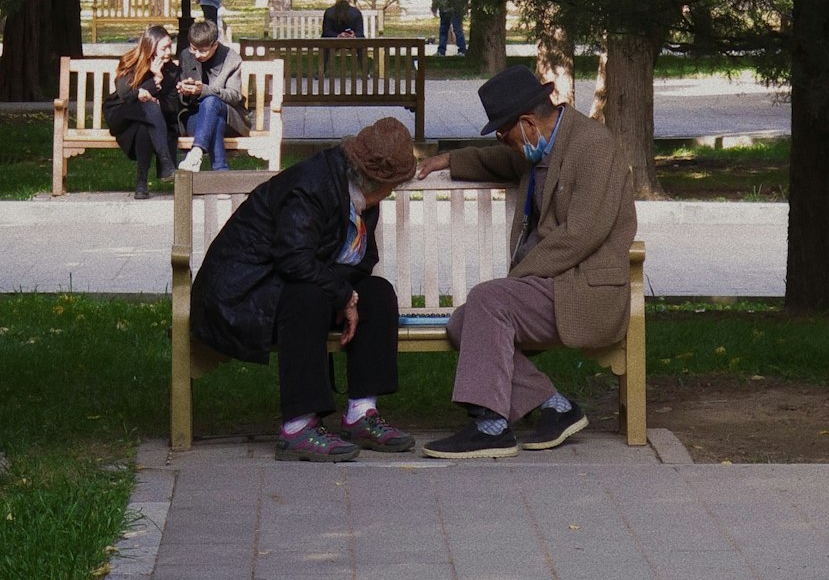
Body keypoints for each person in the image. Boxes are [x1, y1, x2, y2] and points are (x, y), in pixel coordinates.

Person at [417, 65, 636, 460]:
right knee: (462, 322)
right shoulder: (540, 147)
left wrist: (517, 278)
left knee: (488, 301)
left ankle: (492, 426)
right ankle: (555, 405)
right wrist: (446, 160)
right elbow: (493, 162)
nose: (506, 143)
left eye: (504, 134)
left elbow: (580, 235)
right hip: (552, 285)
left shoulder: (593, 146)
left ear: (527, 123)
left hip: (585, 289)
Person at [191, 117, 418, 462]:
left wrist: (349, 294)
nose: (391, 193)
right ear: (372, 179)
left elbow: (362, 257)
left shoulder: (360, 193)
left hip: (287, 279)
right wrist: (341, 294)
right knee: (309, 296)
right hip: (243, 295)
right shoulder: (312, 186)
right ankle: (298, 427)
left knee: (378, 293)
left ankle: (361, 414)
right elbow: (293, 259)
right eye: (391, 187)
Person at [104, 25, 181, 199]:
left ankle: (141, 184)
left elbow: (171, 105)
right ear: (150, 47)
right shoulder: (130, 61)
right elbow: (125, 95)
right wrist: (155, 81)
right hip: (122, 114)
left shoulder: (172, 71)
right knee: (148, 109)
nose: (169, 52)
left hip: (151, 120)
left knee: (145, 123)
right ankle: (166, 162)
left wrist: (154, 87)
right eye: (164, 48)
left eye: (170, 47)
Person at [176, 20, 249, 173]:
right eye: (193, 48)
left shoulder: (231, 58)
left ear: (214, 45)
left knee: (211, 102)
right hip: (195, 117)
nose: (197, 54)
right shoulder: (186, 56)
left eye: (202, 51)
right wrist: (184, 90)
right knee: (214, 121)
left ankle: (196, 152)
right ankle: (221, 174)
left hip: (231, 118)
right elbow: (183, 101)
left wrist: (204, 90)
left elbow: (234, 96)